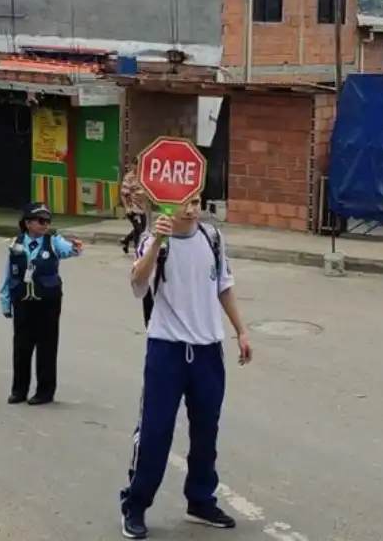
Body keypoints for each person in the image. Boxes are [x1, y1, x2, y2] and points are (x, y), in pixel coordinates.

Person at [119, 196, 252, 540]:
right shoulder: (153, 242)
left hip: (208, 350)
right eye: (182, 204)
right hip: (167, 350)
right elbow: (137, 284)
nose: (191, 209)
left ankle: (200, 501)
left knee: (206, 432)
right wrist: (157, 242)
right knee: (154, 433)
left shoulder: (212, 238)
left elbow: (224, 285)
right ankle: (135, 504)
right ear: (165, 207)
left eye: (195, 201)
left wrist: (241, 330)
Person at [0, 203, 83, 406]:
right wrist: (5, 301)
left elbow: (71, 251)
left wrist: (75, 247)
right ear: (28, 223)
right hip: (22, 300)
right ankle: (19, 390)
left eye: (47, 221)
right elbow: (8, 274)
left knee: (47, 345)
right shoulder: (15, 244)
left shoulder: (53, 242)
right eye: (41, 221)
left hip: (48, 301)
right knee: (21, 346)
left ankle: (45, 391)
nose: (45, 225)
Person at [121, 161, 149, 255]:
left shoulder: (143, 176)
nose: (138, 167)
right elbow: (123, 195)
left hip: (142, 207)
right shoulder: (128, 178)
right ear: (133, 165)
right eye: (136, 164)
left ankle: (125, 241)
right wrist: (127, 208)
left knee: (142, 228)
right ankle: (137, 249)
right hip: (132, 208)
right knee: (139, 230)